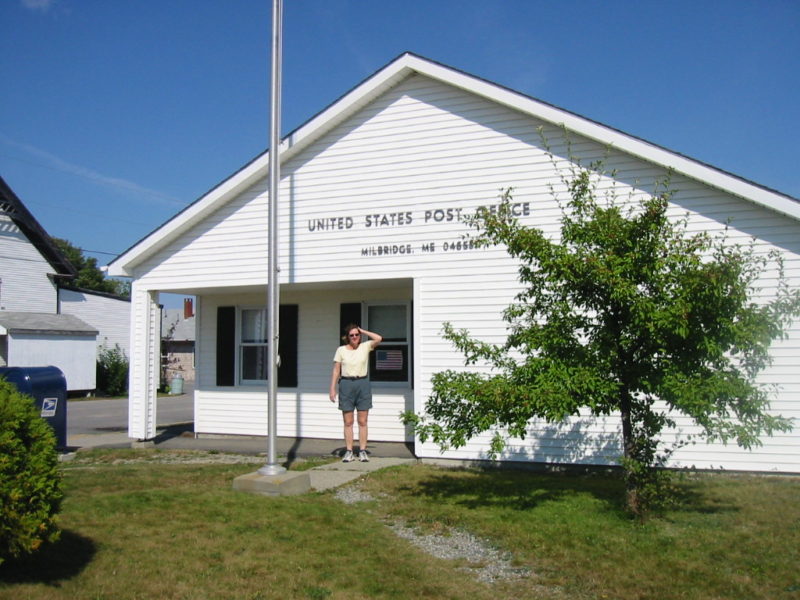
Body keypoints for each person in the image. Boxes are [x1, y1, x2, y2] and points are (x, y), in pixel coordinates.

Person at [329, 323, 383, 462]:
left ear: (360, 336)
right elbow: (336, 370)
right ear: (347, 337)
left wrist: (363, 330)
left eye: (356, 335)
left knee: (362, 421)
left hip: (362, 384)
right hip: (346, 384)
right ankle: (349, 451)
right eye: (351, 335)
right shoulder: (341, 350)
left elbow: (378, 338)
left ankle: (363, 450)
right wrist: (332, 388)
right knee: (348, 421)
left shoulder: (365, 346)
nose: (354, 337)